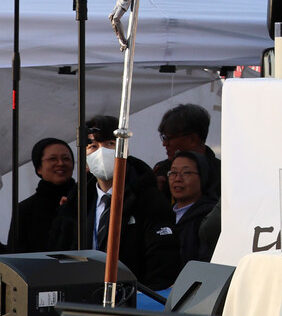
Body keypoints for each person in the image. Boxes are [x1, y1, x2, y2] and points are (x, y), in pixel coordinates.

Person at [49, 115, 179, 289]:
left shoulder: (149, 201)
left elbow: (163, 264)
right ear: (84, 157)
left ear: (125, 149)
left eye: (110, 144)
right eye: (93, 146)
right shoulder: (76, 203)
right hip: (83, 302)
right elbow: (59, 256)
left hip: (132, 304)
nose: (101, 153)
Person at [6, 138, 75, 253]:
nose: (61, 163)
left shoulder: (84, 199)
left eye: (66, 159)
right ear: (39, 168)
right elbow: (15, 254)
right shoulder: (25, 209)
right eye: (53, 159)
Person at [152, 103, 222, 201]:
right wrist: (152, 194)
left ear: (192, 139)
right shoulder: (161, 171)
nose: (164, 144)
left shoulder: (223, 175)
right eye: (173, 173)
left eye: (169, 138)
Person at [168, 151, 218, 266]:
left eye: (186, 173)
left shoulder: (209, 217)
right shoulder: (164, 215)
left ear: (203, 176)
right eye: (173, 172)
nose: (177, 179)